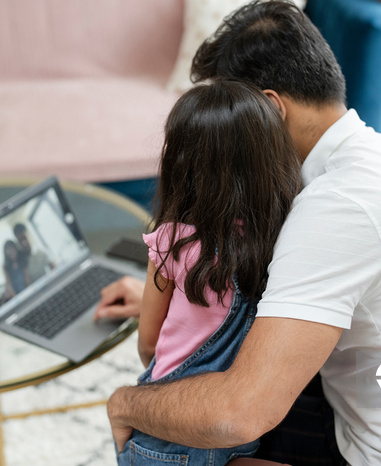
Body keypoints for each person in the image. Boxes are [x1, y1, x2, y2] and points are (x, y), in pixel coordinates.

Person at [102, 1, 381, 465]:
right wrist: (178, 294)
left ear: (271, 109)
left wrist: (125, 402)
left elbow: (238, 414)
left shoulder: (335, 209)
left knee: (156, 429)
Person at [116, 79, 302, 465]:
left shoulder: (171, 242)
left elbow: (148, 345)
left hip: (167, 433)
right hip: (239, 433)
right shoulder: (283, 241)